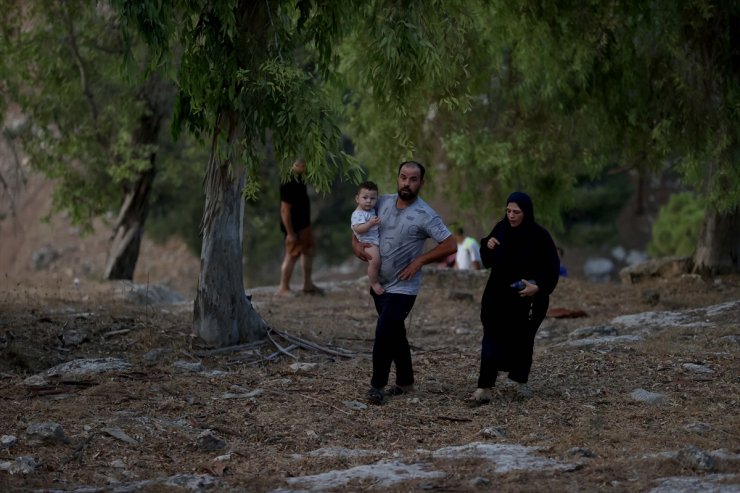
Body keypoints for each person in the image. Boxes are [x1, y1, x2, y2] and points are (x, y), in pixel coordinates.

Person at [352, 161, 457, 405]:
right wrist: (356, 244)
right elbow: (358, 224)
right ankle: (405, 382)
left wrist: (420, 260)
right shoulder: (382, 202)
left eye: (413, 179)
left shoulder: (426, 214)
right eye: (403, 177)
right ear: (397, 178)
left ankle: (377, 386)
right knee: (396, 334)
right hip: (380, 283)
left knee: (384, 331)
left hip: (404, 287)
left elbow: (450, 245)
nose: (406, 183)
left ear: (421, 183)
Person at [471, 191, 560, 403]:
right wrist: (488, 246)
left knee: (522, 340)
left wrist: (537, 288)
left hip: (526, 299)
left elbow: (552, 268)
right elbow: (487, 260)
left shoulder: (540, 236)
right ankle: (484, 387)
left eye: (516, 212)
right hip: (497, 296)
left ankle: (519, 381)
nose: (511, 216)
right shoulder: (501, 229)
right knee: (491, 338)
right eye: (508, 211)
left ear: (526, 213)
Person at [277, 158, 323, 296]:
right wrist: (290, 233)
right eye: (301, 164)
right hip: (295, 227)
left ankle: (307, 284)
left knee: (307, 251)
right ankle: (283, 288)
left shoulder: (300, 178)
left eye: (305, 164)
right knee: (291, 255)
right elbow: (284, 210)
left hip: (304, 224)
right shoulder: (288, 181)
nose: (305, 166)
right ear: (294, 165)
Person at [351, 181, 384, 295]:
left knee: (379, 261)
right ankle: (374, 283)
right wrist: (370, 224)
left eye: (372, 198)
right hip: (367, 242)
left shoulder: (371, 210)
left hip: (375, 240)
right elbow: (357, 229)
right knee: (375, 261)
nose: (369, 201)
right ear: (357, 198)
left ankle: (378, 277)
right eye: (365, 197)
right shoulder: (358, 214)